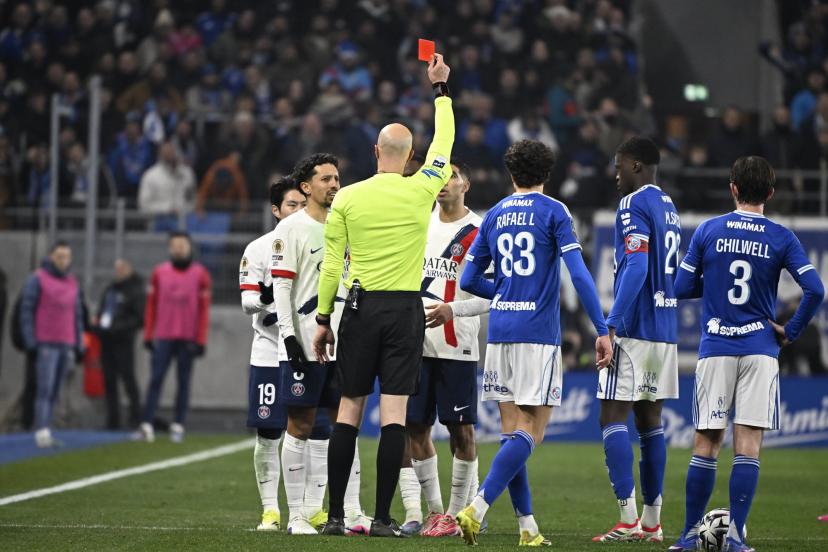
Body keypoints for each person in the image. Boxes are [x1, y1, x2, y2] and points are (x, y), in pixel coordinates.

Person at [312, 53, 453, 538]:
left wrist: (323, 320)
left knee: (348, 409)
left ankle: (335, 517)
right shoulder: (422, 189)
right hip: (404, 310)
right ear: (412, 158)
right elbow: (445, 143)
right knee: (394, 415)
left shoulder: (347, 197)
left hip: (359, 308)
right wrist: (440, 90)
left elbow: (332, 266)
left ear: (376, 150)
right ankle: (382, 519)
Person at [455, 139, 612, 546]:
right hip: (537, 334)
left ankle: (527, 528)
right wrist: (601, 328)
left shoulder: (494, 214)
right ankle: (477, 507)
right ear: (548, 173)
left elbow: (469, 280)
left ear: (511, 174)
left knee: (513, 433)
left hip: (500, 332)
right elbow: (578, 274)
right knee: (533, 432)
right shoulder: (555, 211)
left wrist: (504, 292)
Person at [670, 156, 824, 552]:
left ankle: (687, 537)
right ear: (770, 193)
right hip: (759, 348)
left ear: (733, 188)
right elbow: (816, 290)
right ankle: (736, 538)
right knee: (748, 445)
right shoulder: (781, 237)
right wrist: (790, 331)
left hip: (716, 347)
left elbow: (681, 287)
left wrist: (715, 281)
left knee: (706, 443)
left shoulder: (708, 230)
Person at [270, 154, 370, 535]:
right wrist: (289, 337)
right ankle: (296, 514)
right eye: (325, 179)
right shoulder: (291, 228)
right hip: (305, 342)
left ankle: (352, 510)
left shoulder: (347, 225)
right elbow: (281, 287)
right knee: (300, 423)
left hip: (345, 341)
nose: (334, 185)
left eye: (337, 178)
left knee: (346, 423)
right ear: (306, 187)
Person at [592, 136, 681, 543]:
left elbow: (637, 267)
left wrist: (611, 324)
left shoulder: (632, 203)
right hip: (664, 329)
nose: (616, 175)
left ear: (637, 166)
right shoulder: (668, 206)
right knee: (649, 422)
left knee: (612, 417)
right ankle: (652, 522)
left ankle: (628, 520)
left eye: (619, 166)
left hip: (634, 329)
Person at [398, 163, 488, 537]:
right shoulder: (418, 222)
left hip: (457, 346)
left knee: (461, 432)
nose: (444, 183)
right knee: (415, 427)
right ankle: (436, 512)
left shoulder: (481, 231)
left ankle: (456, 514)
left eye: (451, 176)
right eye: (439, 176)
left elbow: (495, 294)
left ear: (466, 184)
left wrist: (454, 309)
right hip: (415, 345)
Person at [239, 177, 304, 531]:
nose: (298, 210)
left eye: (302, 204)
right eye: (291, 205)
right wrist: (266, 297)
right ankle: (270, 510)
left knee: (309, 429)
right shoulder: (258, 249)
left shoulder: (319, 241)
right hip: (268, 350)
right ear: (276, 210)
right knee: (268, 432)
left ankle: (308, 510)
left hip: (306, 351)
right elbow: (248, 301)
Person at [135, 232, 211, 443]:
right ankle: (146, 424)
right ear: (170, 248)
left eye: (182, 245)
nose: (178, 249)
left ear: (189, 247)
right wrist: (148, 334)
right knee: (155, 379)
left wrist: (201, 339)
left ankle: (178, 425)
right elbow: (151, 306)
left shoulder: (201, 274)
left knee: (183, 382)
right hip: (164, 336)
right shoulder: (159, 273)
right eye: (175, 245)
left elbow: (204, 310)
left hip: (188, 338)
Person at [20, 242, 85, 447]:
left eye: (66, 256)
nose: (63, 260)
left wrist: (79, 341)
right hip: (46, 341)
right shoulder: (38, 278)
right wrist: (30, 339)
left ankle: (47, 427)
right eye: (59, 256)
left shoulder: (72, 282)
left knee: (56, 390)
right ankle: (40, 430)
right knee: (45, 388)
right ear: (50, 257)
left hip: (66, 341)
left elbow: (77, 314)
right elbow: (26, 310)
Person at [95, 259, 145, 430]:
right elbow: (102, 310)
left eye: (122, 268)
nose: (119, 271)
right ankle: (112, 419)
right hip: (106, 340)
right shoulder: (110, 289)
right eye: (117, 268)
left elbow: (139, 318)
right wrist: (98, 325)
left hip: (123, 341)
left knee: (128, 379)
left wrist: (118, 328)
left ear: (130, 269)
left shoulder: (135, 291)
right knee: (109, 381)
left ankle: (135, 417)